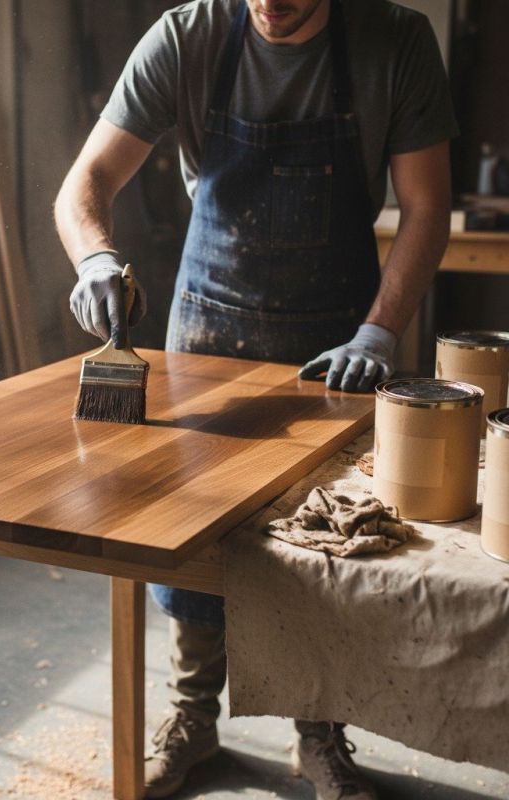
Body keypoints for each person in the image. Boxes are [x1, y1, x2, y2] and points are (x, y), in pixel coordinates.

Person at [55, 0, 457, 797]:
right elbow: (87, 182)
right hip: (208, 332)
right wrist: (94, 259)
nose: (271, 4)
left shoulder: (396, 42)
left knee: (326, 547)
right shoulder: (188, 36)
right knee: (193, 536)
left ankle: (321, 736)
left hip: (336, 347)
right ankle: (193, 717)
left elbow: (426, 205)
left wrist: (380, 333)